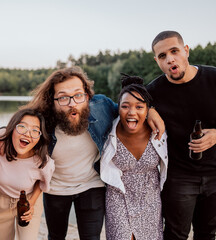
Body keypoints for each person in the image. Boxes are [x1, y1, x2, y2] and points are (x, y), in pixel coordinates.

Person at [25, 66, 165, 240]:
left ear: (87, 95)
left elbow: (130, 110)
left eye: (78, 95)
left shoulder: (101, 107)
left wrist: (151, 111)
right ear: (52, 101)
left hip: (91, 186)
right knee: (55, 236)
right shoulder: (41, 120)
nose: (72, 103)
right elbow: (16, 134)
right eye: (63, 98)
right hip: (56, 188)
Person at [147, 30, 216, 240]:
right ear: (157, 61)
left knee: (208, 234)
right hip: (179, 177)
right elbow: (128, 100)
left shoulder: (213, 77)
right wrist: (148, 109)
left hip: (215, 174)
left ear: (186, 51)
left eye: (174, 51)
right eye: (162, 56)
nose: (170, 59)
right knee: (176, 235)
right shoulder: (154, 91)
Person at [101, 74, 168, 240]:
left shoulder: (159, 131)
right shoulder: (108, 130)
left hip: (150, 198)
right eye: (125, 106)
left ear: (147, 109)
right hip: (118, 197)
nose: (132, 112)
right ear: (118, 108)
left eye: (139, 107)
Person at [0, 108, 55, 240]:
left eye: (35, 130)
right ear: (12, 128)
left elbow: (41, 183)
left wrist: (32, 202)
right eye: (22, 127)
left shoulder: (42, 161)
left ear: (40, 137)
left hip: (28, 200)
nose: (28, 134)